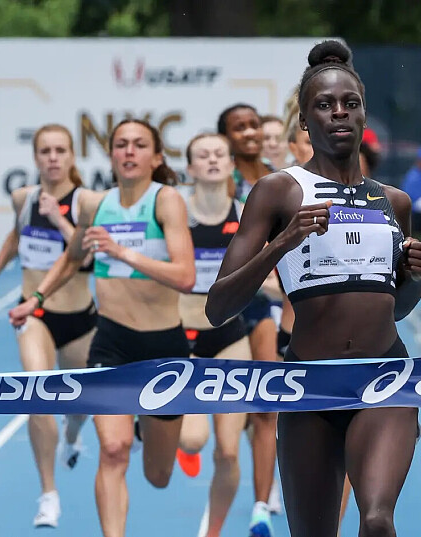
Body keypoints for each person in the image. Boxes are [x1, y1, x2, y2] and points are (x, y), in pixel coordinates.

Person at [206, 40, 421, 537]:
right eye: (325, 105)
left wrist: (413, 276)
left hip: (384, 376)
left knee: (377, 520)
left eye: (350, 103)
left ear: (364, 116)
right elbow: (218, 306)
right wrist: (281, 243)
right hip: (308, 384)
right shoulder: (278, 191)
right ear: (305, 123)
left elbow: (397, 308)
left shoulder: (393, 202)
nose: (339, 113)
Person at [8, 119, 195, 537]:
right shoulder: (97, 206)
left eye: (139, 145)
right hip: (111, 343)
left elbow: (185, 276)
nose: (129, 151)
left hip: (164, 349)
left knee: (159, 475)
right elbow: (72, 257)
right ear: (110, 155)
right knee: (112, 449)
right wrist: (36, 299)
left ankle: (149, 432)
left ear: (156, 157)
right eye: (121, 144)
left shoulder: (166, 201)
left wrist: (121, 252)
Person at [0, 124, 98, 527]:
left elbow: (85, 257)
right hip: (34, 314)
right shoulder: (23, 198)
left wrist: (58, 219)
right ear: (35, 157)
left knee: (79, 406)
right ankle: (48, 494)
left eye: (60, 150)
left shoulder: (85, 202)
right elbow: (14, 239)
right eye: (45, 151)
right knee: (37, 392)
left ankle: (72, 434)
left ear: (72, 156)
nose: (53, 157)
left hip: (80, 318)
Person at [174, 132, 254, 537]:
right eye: (202, 155)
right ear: (190, 167)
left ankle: (213, 532)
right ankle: (173, 438)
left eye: (219, 154)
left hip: (229, 336)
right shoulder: (174, 213)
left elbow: (265, 268)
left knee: (228, 451)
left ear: (230, 164)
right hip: (182, 337)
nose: (211, 160)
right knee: (192, 440)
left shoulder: (246, 214)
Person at [217, 102, 284, 531]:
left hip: (264, 303)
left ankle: (261, 503)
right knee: (229, 411)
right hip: (223, 304)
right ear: (225, 138)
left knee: (266, 401)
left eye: (253, 124)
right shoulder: (219, 183)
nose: (249, 132)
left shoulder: (281, 180)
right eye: (238, 127)